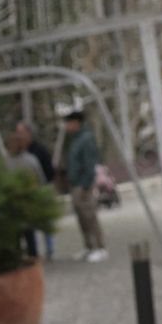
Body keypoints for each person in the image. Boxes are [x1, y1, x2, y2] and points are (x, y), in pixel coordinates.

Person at [62, 109, 106, 262]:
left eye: (69, 123)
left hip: (83, 184)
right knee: (82, 217)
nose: (67, 127)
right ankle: (88, 246)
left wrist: (85, 185)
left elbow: (89, 164)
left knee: (89, 215)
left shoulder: (86, 139)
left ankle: (99, 247)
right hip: (76, 183)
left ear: (76, 123)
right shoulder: (76, 139)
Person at [7, 121, 49, 259]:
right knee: (16, 235)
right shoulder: (6, 162)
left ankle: (37, 255)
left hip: (28, 202)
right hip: (13, 204)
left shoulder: (31, 160)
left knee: (30, 232)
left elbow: (41, 179)